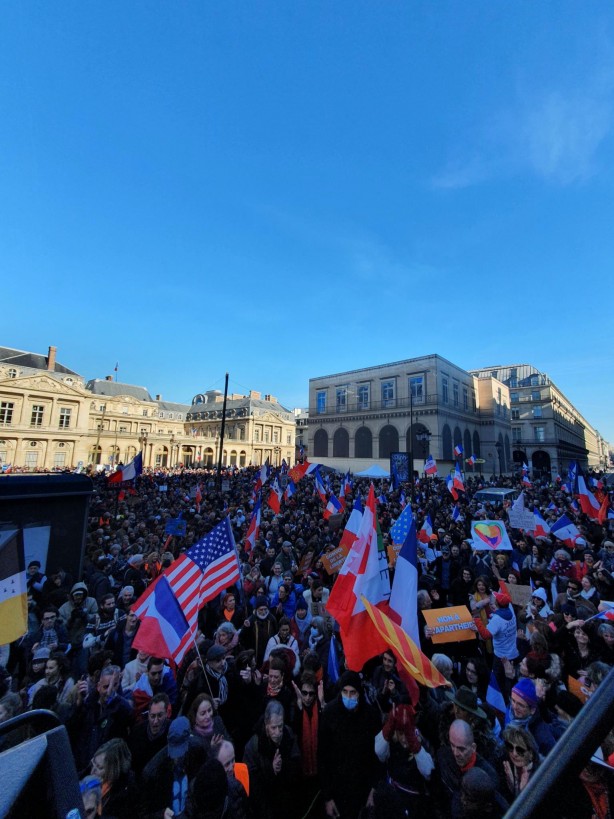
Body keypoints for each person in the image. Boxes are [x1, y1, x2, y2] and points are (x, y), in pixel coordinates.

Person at [318, 670, 381, 818]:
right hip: (337, 792)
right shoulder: (329, 713)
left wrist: (374, 789)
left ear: (359, 692)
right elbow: (322, 757)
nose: (348, 696)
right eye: (345, 692)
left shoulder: (371, 716)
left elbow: (377, 757)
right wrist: (327, 797)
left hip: (363, 791)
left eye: (352, 692)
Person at [374, 703, 434, 818]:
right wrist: (389, 727)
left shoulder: (422, 743)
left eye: (406, 733)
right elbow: (379, 754)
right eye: (400, 733)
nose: (403, 738)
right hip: (393, 798)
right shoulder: (392, 743)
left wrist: (414, 743)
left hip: (414, 804)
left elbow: (429, 772)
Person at [243, 700, 301, 819]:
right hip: (265, 807)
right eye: (273, 727)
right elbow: (253, 785)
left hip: (286, 803)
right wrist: (271, 769)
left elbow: (296, 767)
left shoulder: (289, 735)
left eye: (280, 726)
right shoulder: (253, 747)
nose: (278, 732)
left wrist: (284, 766)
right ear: (266, 724)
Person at [434, 719, 499, 819]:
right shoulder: (443, 757)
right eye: (452, 745)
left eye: (461, 749)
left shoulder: (489, 777)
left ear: (473, 747)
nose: (455, 753)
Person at [503, 678, 555, 756]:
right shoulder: (510, 708)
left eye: (520, 705)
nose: (514, 707)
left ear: (532, 710)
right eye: (513, 700)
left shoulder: (542, 737)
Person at [90, 737, 138, 819]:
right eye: (93, 763)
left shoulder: (125, 793)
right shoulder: (89, 771)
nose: (92, 771)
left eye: (99, 768)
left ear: (113, 770)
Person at [128, 692, 172, 776]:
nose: (155, 721)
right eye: (152, 716)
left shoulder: (172, 734)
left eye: (160, 716)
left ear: (166, 713)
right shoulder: (137, 731)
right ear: (148, 715)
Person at [497, 725, 540, 803]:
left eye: (520, 750)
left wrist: (522, 792)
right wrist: (512, 788)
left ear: (531, 754)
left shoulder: (540, 774)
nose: (514, 754)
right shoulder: (504, 766)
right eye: (511, 748)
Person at [240, 596, 277, 667]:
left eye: (265, 609)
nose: (263, 612)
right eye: (261, 610)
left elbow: (276, 634)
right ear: (256, 609)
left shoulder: (272, 619)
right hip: (255, 654)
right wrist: (245, 628)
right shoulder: (251, 620)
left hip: (268, 652)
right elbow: (242, 638)